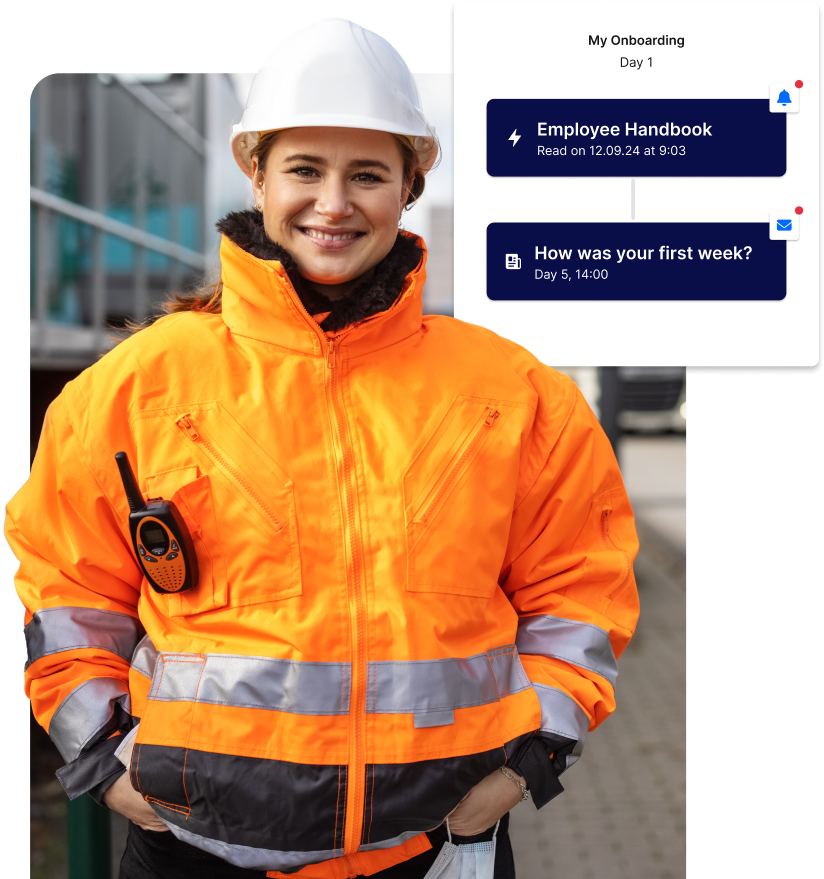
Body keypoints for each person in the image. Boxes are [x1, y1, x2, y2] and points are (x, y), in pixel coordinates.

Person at [9, 19, 640, 879]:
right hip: (188, 850)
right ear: (257, 175)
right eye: (304, 169)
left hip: (438, 846)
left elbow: (579, 594)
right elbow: (66, 591)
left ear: (410, 186)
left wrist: (521, 768)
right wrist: (108, 762)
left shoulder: (518, 393)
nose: (334, 204)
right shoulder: (133, 387)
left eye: (368, 175)